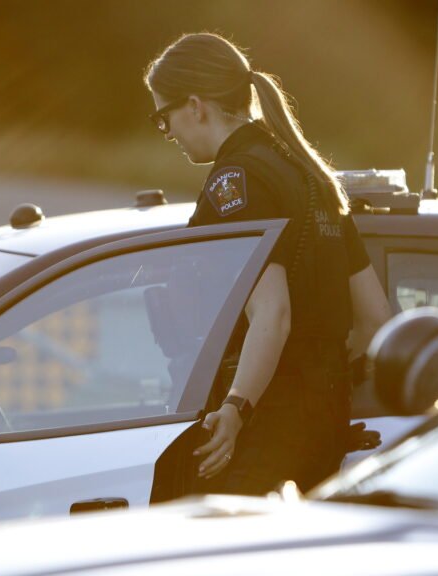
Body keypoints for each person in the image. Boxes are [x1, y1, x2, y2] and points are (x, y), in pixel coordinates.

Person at [144, 32, 392, 495]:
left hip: (263, 425)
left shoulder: (236, 182)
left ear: (196, 106)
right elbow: (376, 318)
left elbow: (272, 314)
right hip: (325, 417)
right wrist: (319, 385)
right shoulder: (311, 175)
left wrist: (237, 409)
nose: (169, 133)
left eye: (165, 117)